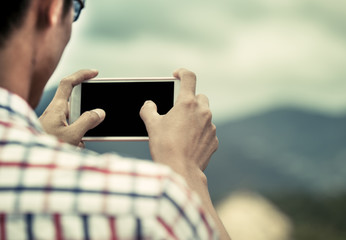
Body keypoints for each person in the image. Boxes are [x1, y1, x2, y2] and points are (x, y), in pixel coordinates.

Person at [0, 0, 230, 239]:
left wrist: (39, 145)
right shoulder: (147, 209)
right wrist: (185, 170)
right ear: (53, 9)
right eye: (76, 9)